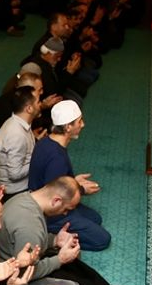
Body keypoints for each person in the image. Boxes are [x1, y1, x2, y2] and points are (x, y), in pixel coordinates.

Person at [28, 100, 110, 251]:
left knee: (96, 219)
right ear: (68, 127)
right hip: (50, 213)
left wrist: (73, 181)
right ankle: (52, 240)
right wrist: (81, 189)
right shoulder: (57, 158)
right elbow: (55, 196)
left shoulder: (46, 141)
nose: (83, 125)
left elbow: (55, 181)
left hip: (44, 199)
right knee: (102, 240)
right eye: (79, 121)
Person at [0, 177, 86, 285]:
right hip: (7, 278)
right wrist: (60, 260)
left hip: (1, 256)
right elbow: (25, 273)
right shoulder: (31, 226)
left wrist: (55, 240)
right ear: (56, 200)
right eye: (66, 209)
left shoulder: (23, 197)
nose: (65, 213)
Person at [0, 85, 40, 196]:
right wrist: (39, 159)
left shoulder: (17, 122)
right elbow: (15, 173)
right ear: (29, 108)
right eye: (38, 102)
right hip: (17, 191)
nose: (41, 104)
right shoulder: (17, 135)